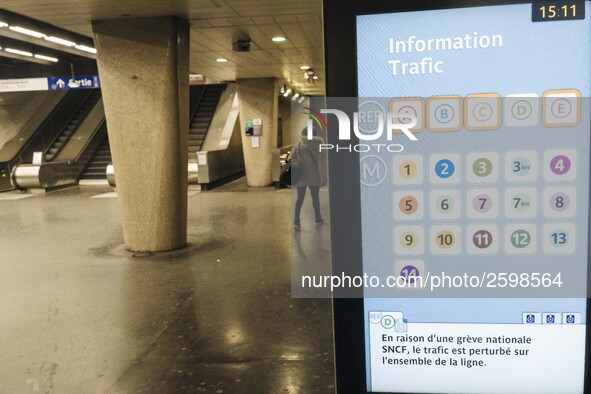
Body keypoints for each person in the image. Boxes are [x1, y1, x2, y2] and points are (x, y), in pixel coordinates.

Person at [290, 126, 327, 231]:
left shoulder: (298, 144)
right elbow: (322, 159)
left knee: (299, 199)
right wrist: (323, 175)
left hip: (301, 175)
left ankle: (296, 221)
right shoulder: (319, 144)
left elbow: (292, 157)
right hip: (314, 175)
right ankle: (318, 218)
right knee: (315, 198)